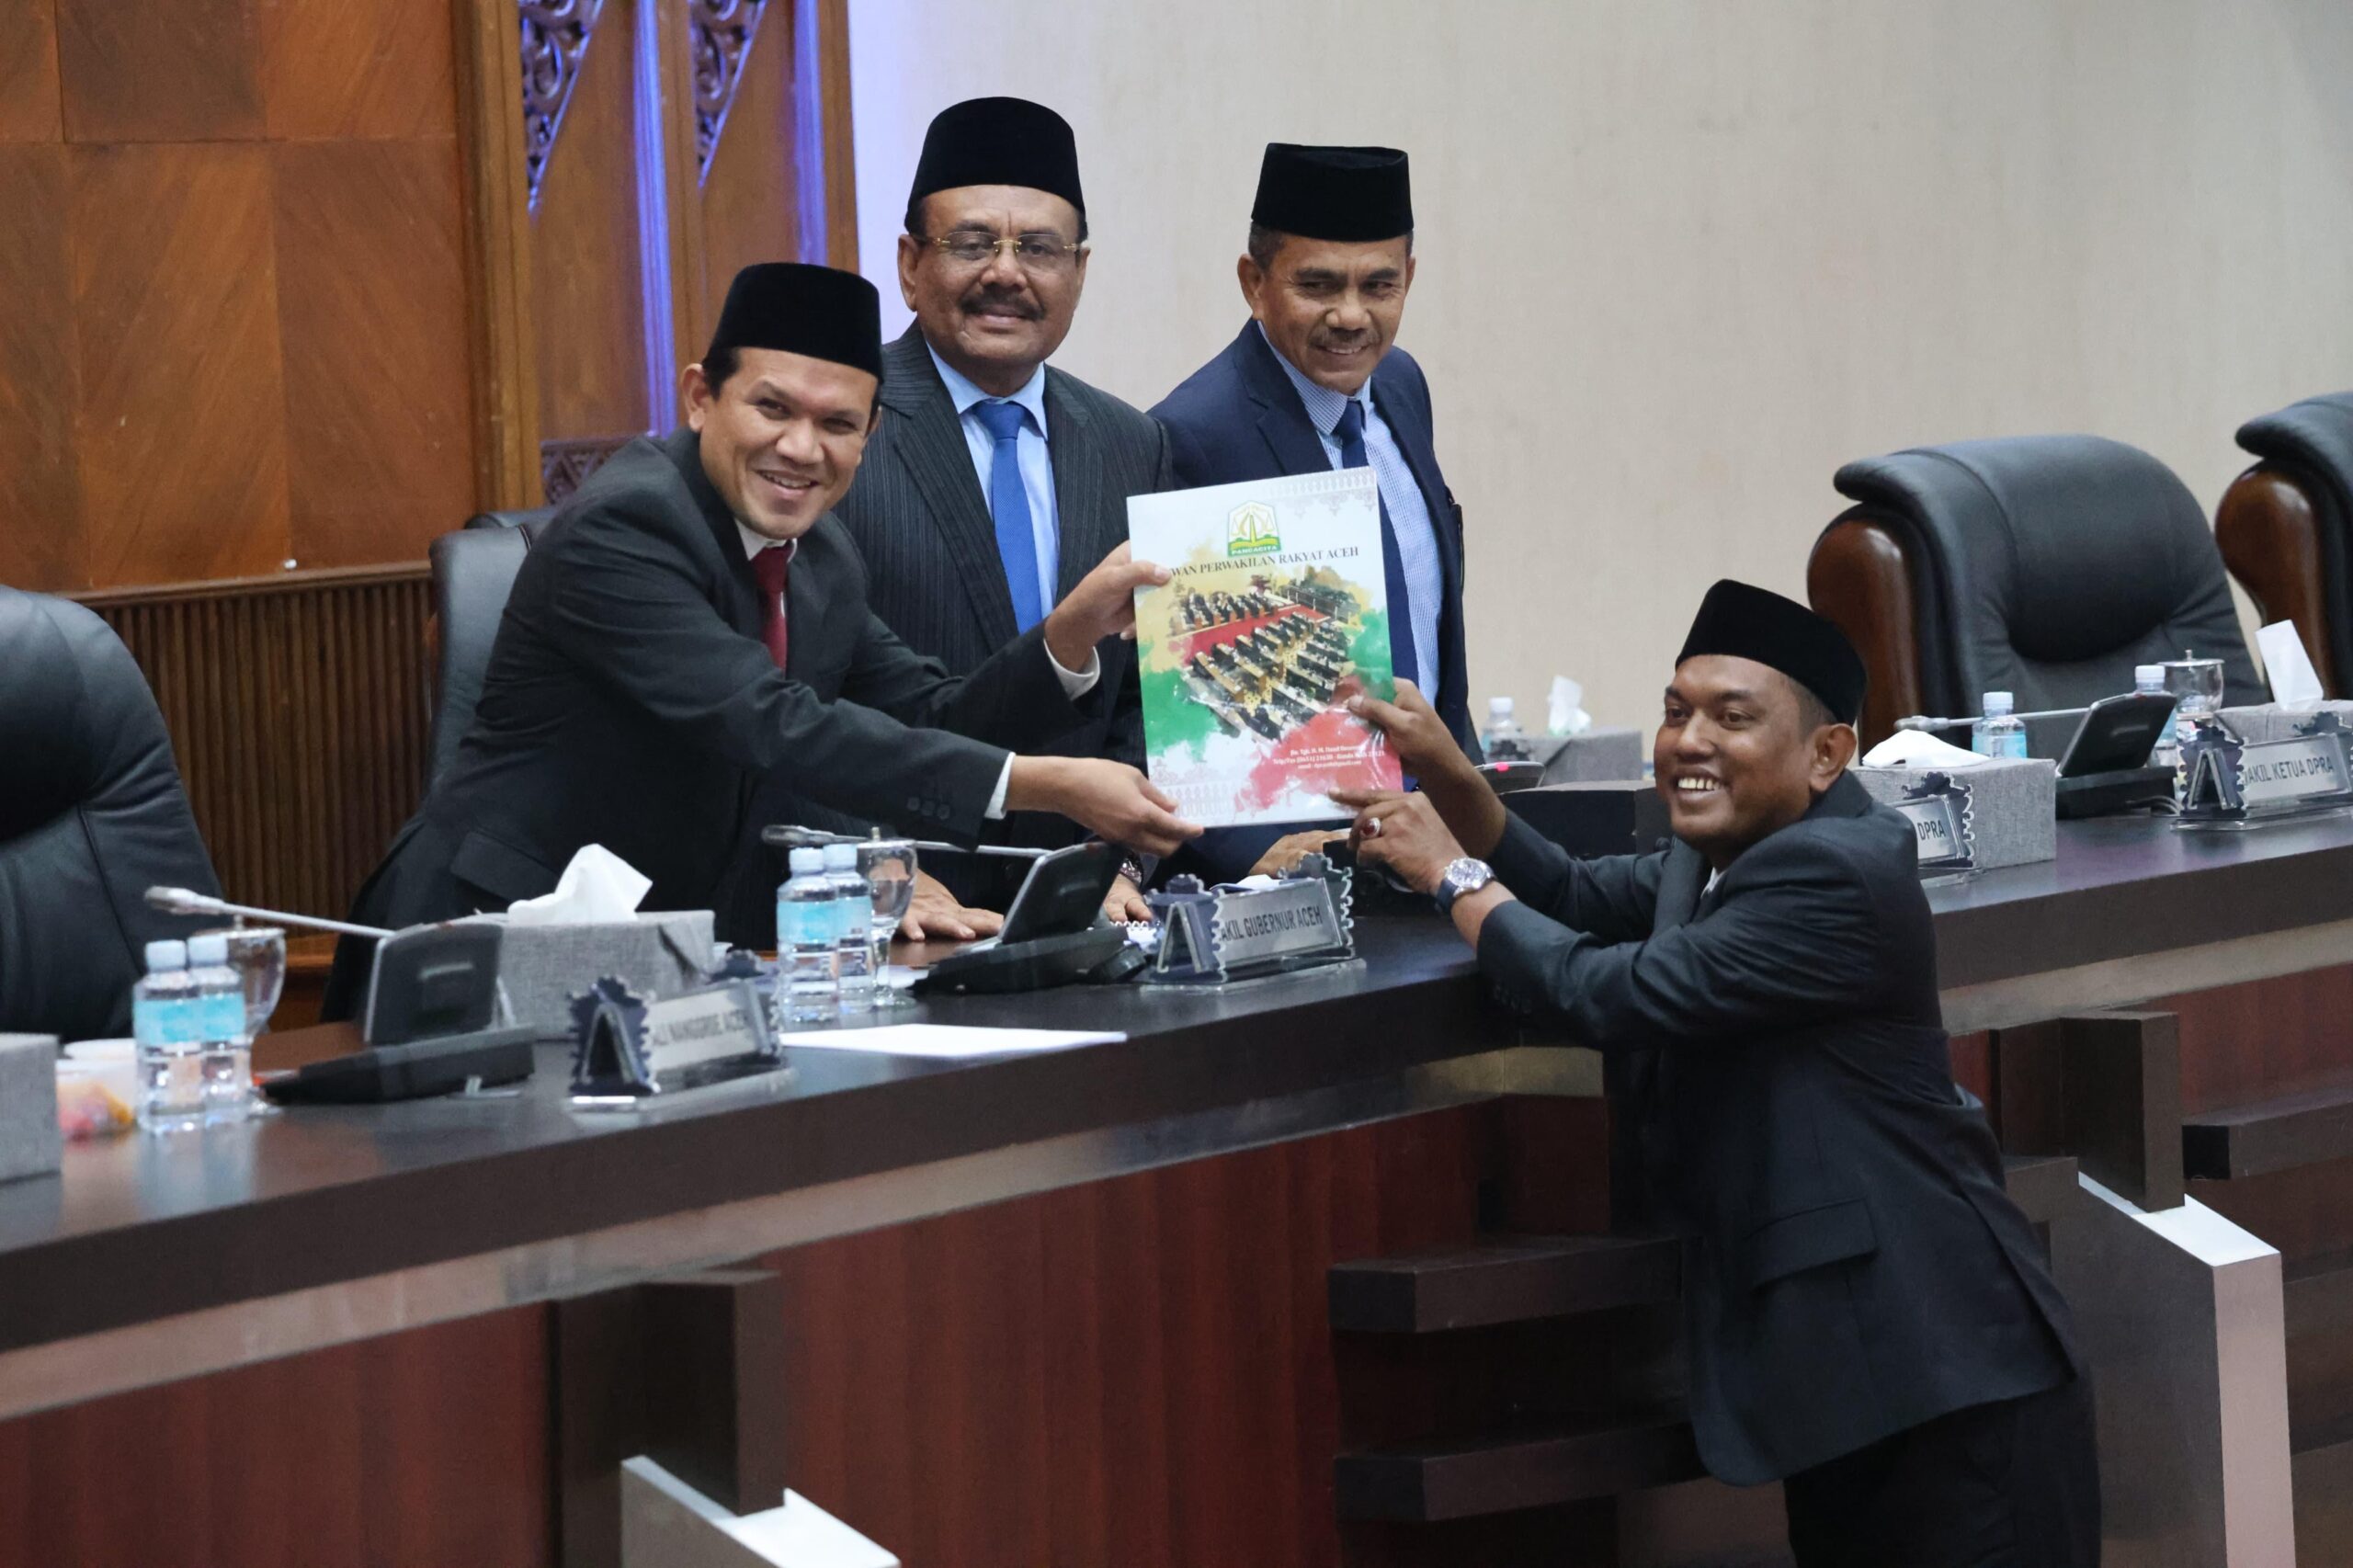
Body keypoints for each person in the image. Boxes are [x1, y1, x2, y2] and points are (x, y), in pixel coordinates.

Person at [1338, 581, 2098, 1567]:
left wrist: (1450, 876)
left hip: (1947, 1383)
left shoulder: (1837, 874)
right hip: (1851, 1395)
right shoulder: (1718, 857)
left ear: (1827, 753)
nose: (1687, 741)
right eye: (1675, 711)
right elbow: (1569, 892)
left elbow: (1607, 991)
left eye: (1731, 718)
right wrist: (1448, 769)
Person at [323, 262, 1197, 1016]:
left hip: (661, 957)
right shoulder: (626, 525)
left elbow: (934, 711)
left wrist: (1070, 633)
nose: (800, 448)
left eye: (837, 424)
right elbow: (773, 725)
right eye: (772, 408)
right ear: (701, 399)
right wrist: (1047, 785)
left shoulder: (820, 554)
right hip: (488, 939)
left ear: (870, 436)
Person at [765, 96, 1169, 936]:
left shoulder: (1132, 441)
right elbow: (784, 708)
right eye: (973, 243)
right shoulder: (834, 432)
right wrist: (875, 871)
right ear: (911, 264)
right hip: (897, 912)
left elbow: (1150, 694)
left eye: (1039, 249)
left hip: (1083, 906)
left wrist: (1118, 861)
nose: (1006, 274)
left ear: (1079, 272)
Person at [1153, 142, 1474, 883]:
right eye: (1318, 285)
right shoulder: (1195, 433)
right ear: (1254, 282)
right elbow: (1174, 691)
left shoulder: (1401, 385)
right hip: (1301, 862)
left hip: (1435, 834)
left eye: (1379, 285)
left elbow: (1425, 619)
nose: (1351, 316)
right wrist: (1246, 857)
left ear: (1410, 277)